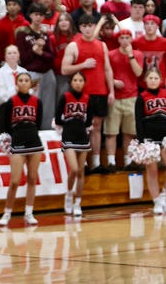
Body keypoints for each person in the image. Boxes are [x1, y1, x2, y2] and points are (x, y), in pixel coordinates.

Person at [62, 14, 115, 173]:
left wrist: (111, 91)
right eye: (84, 26)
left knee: (97, 126)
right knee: (82, 127)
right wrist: (83, 65)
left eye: (90, 25)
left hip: (100, 91)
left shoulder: (102, 45)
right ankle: (83, 163)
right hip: (82, 93)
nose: (87, 29)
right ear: (80, 28)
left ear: (94, 26)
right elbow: (64, 69)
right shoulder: (74, 45)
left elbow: (107, 69)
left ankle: (96, 163)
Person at [135, 68, 166, 214]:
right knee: (152, 171)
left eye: (156, 78)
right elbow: (138, 121)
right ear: (146, 80)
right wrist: (141, 142)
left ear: (161, 80)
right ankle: (157, 202)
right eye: (150, 78)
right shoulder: (141, 97)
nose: (153, 81)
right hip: (150, 140)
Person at [0, 72, 43, 226]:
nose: (23, 83)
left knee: (32, 178)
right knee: (15, 181)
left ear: (30, 84)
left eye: (26, 80)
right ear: (16, 84)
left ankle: (29, 213)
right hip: (17, 143)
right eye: (21, 80)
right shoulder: (11, 102)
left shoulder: (37, 101)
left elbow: (38, 123)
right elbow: (5, 125)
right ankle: (7, 213)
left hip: (34, 142)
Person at [104, 29, 144, 171]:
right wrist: (113, 82)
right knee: (111, 132)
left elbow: (138, 73)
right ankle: (111, 162)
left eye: (127, 37)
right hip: (115, 97)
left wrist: (131, 55)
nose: (125, 40)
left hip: (131, 97)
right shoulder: (111, 54)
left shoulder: (138, 54)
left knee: (129, 132)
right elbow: (105, 72)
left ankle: (129, 161)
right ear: (118, 39)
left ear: (131, 39)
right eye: (122, 38)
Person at [55, 72, 93, 217]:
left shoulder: (88, 98)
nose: (78, 83)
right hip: (69, 136)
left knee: (81, 171)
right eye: (75, 80)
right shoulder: (65, 97)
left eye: (80, 80)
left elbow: (89, 121)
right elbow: (58, 118)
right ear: (71, 82)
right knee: (75, 169)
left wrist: (80, 123)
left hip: (82, 136)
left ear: (84, 83)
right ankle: (69, 194)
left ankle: (78, 203)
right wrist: (70, 122)